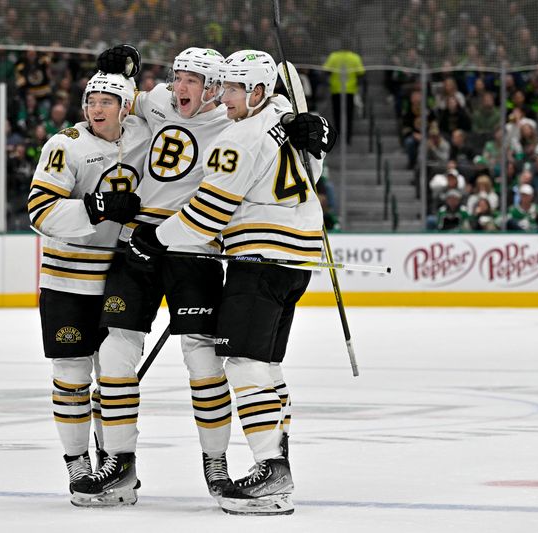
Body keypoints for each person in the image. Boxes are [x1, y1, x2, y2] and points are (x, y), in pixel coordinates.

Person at [73, 44, 333, 508]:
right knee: (115, 348)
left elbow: (225, 200)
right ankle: (119, 463)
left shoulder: (238, 126)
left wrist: (312, 131)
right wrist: (113, 72)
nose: (181, 87)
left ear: (217, 87)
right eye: (178, 76)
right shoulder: (164, 102)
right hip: (142, 241)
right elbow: (113, 104)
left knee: (209, 361)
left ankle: (225, 464)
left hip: (197, 247)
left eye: (195, 79)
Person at [27, 71, 150, 506]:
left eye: (107, 101)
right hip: (66, 279)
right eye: (91, 101)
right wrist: (95, 208)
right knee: (72, 377)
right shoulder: (65, 145)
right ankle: (77, 461)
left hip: (119, 275)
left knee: (116, 376)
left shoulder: (142, 134)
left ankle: (115, 461)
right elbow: (39, 211)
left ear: (125, 107)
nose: (97, 109)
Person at [323, 39, 364, 145]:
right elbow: (361, 72)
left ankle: (339, 136)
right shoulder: (354, 57)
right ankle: (348, 138)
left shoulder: (334, 56)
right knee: (349, 115)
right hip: (349, 90)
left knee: (337, 115)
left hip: (336, 89)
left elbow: (326, 70)